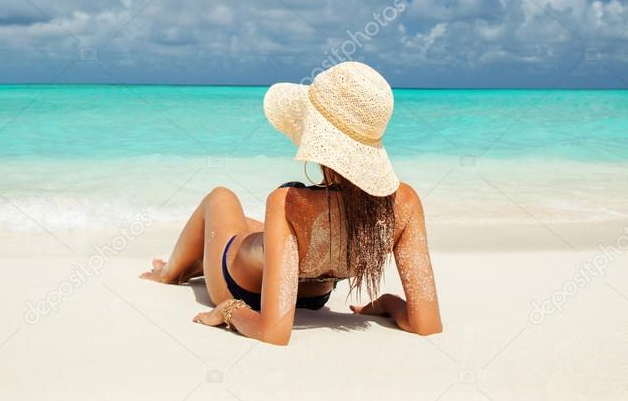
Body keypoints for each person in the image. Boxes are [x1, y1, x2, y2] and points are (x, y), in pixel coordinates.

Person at [140, 62, 442, 344]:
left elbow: (274, 331)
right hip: (312, 295)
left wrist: (229, 310)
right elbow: (426, 324)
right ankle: (187, 265)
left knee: (221, 197)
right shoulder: (406, 203)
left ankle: (169, 272)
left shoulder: (289, 203)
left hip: (240, 288)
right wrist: (388, 302)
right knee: (252, 230)